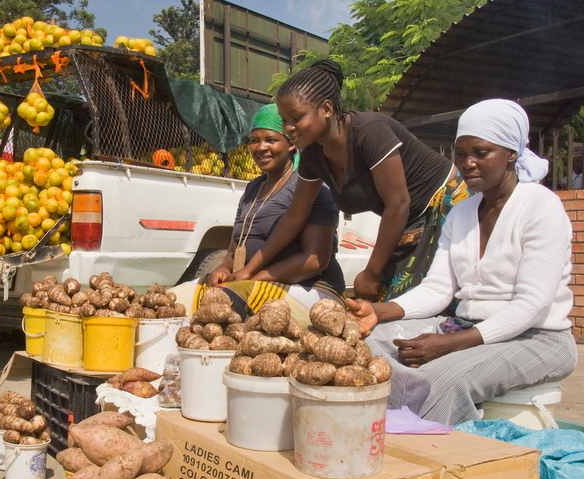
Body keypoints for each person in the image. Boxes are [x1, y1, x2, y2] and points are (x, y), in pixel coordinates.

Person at [347, 99, 577, 425]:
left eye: (481, 153)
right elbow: (439, 289)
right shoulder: (463, 211)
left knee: (441, 381)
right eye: (460, 154)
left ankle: (431, 461)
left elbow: (532, 305)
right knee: (363, 345)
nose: (467, 163)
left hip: (537, 339)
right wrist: (377, 312)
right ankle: (385, 433)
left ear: (512, 153)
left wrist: (450, 344)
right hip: (465, 328)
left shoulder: (541, 206)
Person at [228, 59, 467, 302]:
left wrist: (372, 273)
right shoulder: (313, 154)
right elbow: (295, 216)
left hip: (445, 205)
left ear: (327, 109)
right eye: (284, 119)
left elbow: (398, 203)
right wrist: (248, 271)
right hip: (407, 220)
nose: (288, 127)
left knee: (424, 300)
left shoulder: (370, 132)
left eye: (296, 117)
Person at [191, 104, 344, 322]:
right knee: (184, 296)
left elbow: (314, 261)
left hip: (310, 289)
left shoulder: (310, 187)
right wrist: (224, 268)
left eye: (271, 140)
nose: (261, 147)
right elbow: (234, 250)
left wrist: (254, 278)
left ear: (291, 144)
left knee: (225, 303)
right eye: (254, 140)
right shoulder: (253, 188)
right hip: (251, 283)